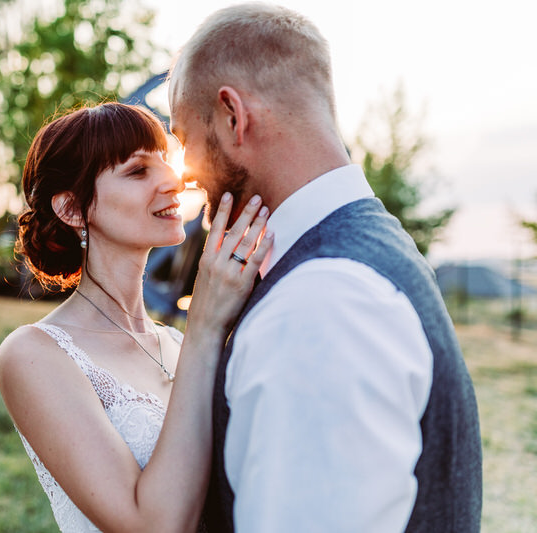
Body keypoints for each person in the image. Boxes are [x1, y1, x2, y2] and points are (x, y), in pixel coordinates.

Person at [168, 3, 483, 532]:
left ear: (232, 116)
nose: (184, 175)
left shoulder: (319, 306)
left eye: (182, 139)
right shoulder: (368, 243)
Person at [0, 102, 273, 532]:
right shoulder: (33, 354)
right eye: (138, 171)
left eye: (166, 161)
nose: (174, 180)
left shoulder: (181, 346)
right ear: (72, 209)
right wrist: (204, 323)